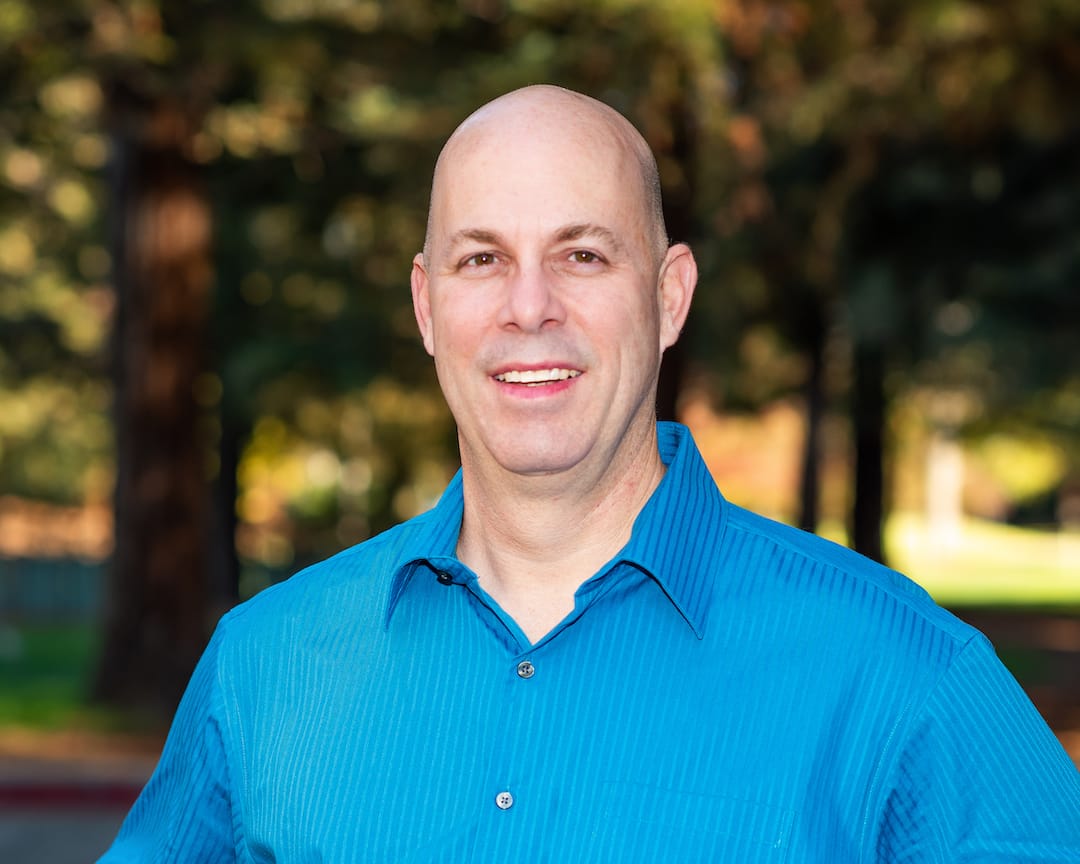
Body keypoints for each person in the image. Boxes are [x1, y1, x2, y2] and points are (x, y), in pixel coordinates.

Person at [100, 85, 1080, 863]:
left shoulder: (903, 676)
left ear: (669, 296)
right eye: (482, 259)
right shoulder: (265, 666)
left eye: (581, 255)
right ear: (428, 307)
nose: (529, 307)